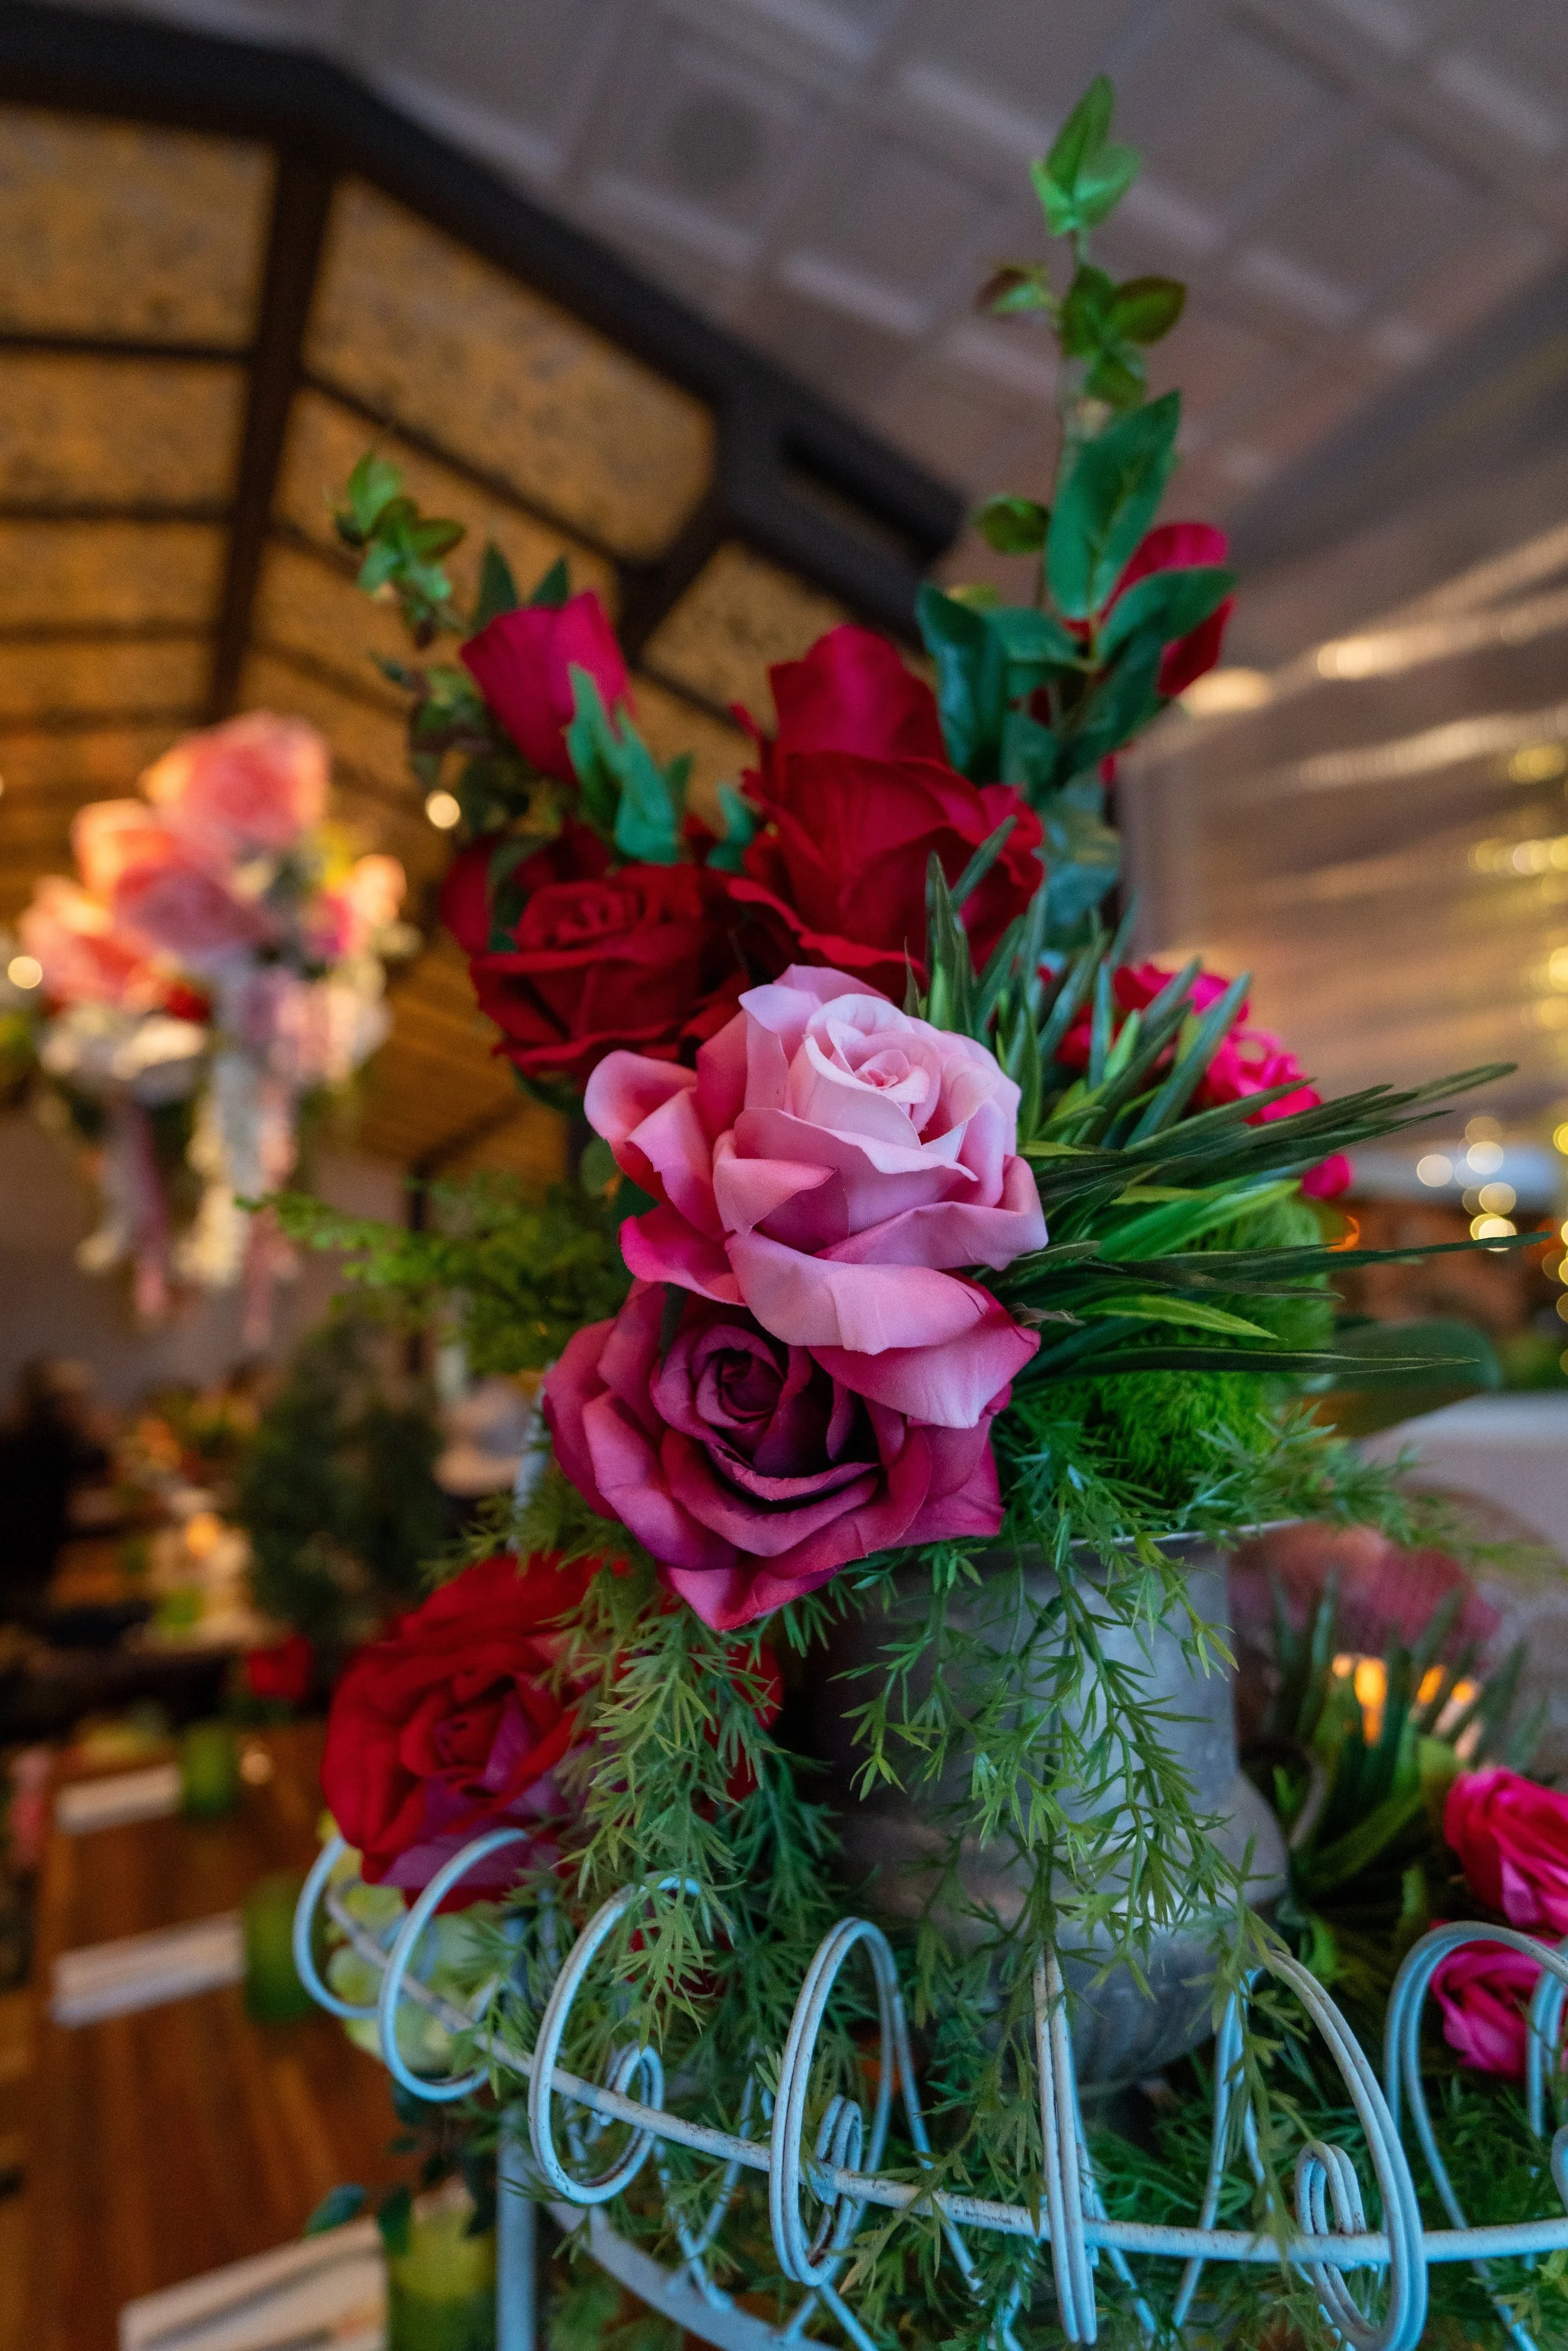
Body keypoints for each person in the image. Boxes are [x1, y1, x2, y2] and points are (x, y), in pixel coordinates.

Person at [0, 1358, 110, 1624]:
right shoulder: (46, 1442)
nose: (81, 1409)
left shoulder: (17, 1435)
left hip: (28, 1566)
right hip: (27, 1578)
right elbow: (97, 1460)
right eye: (76, 1402)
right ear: (56, 1405)